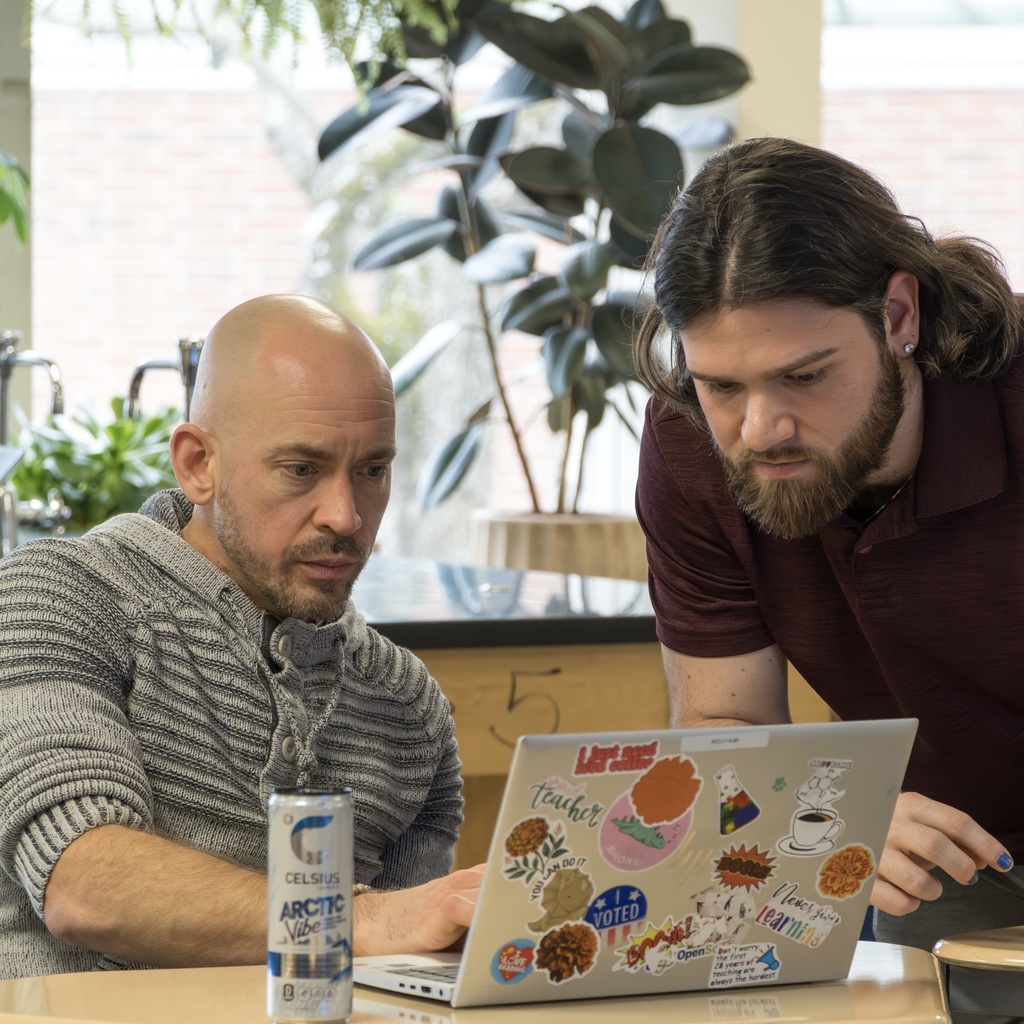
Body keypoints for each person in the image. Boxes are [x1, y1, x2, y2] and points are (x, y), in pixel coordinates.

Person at [0, 294, 482, 978]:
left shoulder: (407, 706)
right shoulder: (57, 594)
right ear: (198, 463)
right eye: (301, 469)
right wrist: (364, 921)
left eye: (372, 470)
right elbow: (83, 885)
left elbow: (408, 969)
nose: (345, 515)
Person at [632, 137, 1024, 951]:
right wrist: (844, 814)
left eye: (805, 376)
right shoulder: (689, 445)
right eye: (721, 384)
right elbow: (726, 724)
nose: (760, 430)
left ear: (898, 316)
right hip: (952, 856)